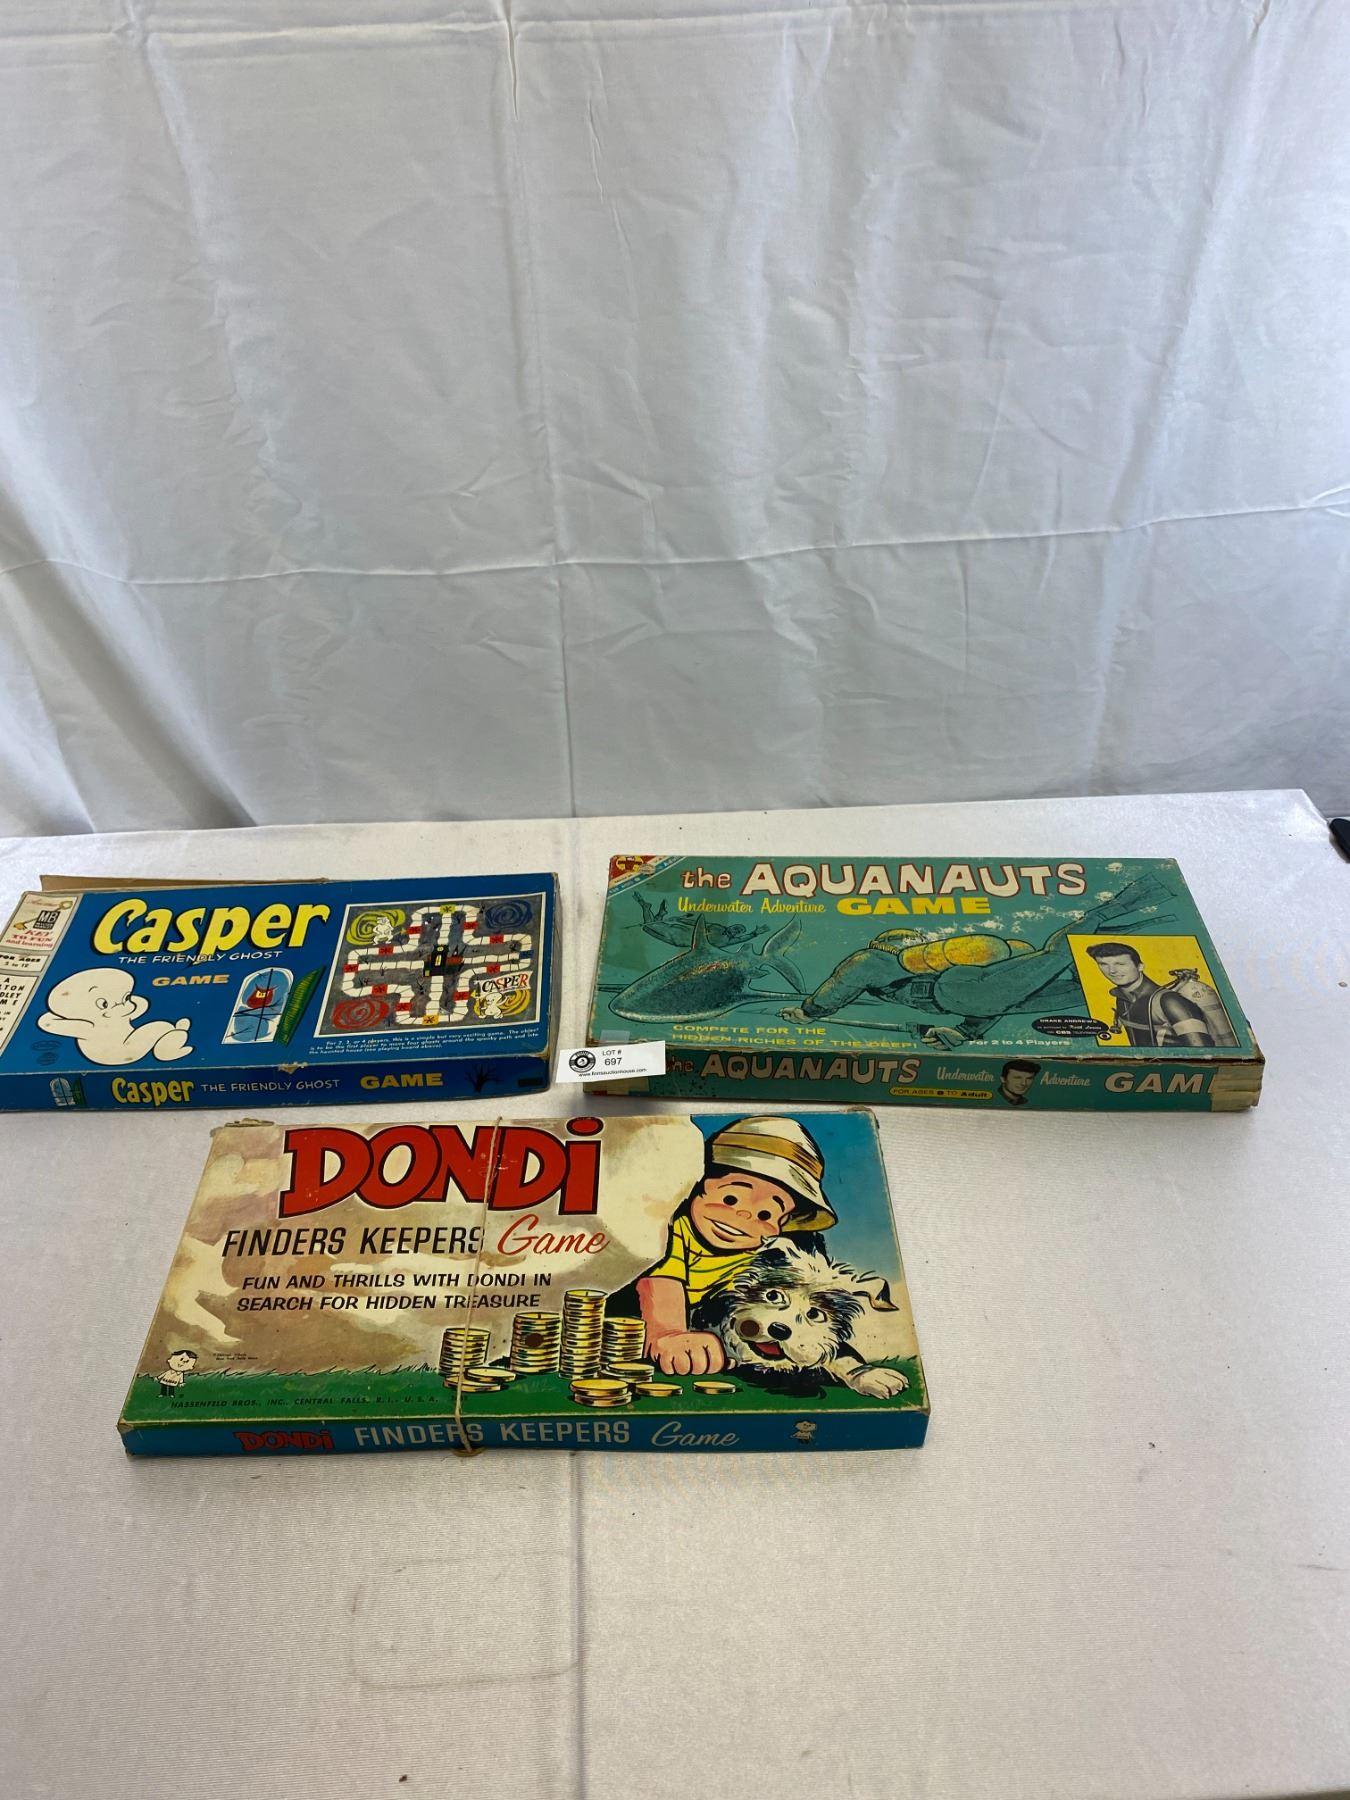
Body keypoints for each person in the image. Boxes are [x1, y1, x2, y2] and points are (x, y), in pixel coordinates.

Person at [625, 1115, 837, 1377]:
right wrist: (670, 1333)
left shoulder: (758, 1259)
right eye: (730, 1199)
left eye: (765, 1215)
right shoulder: (672, 1228)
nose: (744, 1216)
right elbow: (662, 1283)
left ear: (781, 1224)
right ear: (699, 1186)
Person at [1086, 942, 1214, 1048]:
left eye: (1120, 964)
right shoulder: (1122, 998)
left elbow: (1201, 1053)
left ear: (1140, 966)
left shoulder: (1169, 1001)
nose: (1112, 971)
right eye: (1103, 964)